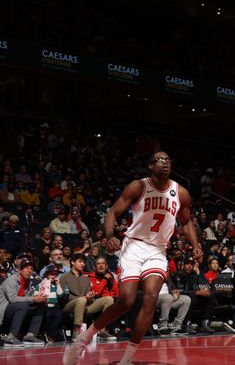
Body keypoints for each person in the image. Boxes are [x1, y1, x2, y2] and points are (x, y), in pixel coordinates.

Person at [63, 151, 201, 365]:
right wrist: (109, 236)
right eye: (159, 159)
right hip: (133, 246)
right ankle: (83, 338)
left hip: (157, 250)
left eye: (168, 159)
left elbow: (185, 222)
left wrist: (195, 244)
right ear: (150, 165)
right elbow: (111, 213)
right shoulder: (139, 186)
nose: (165, 162)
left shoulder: (181, 193)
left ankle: (127, 358)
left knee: (151, 297)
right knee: (126, 301)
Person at [60, 253, 116, 340]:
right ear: (72, 262)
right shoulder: (64, 277)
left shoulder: (85, 278)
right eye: (80, 262)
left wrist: (90, 296)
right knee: (81, 300)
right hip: (69, 305)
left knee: (109, 299)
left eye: (84, 262)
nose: (83, 264)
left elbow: (88, 294)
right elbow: (61, 296)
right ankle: (76, 331)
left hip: (85, 303)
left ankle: (102, 331)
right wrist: (83, 298)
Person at [0, 259, 47, 346]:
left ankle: (30, 335)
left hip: (18, 308)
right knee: (23, 305)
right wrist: (33, 299)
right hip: (4, 309)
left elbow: (27, 298)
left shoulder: (28, 282)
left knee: (40, 305)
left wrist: (40, 299)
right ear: (19, 270)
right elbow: (12, 299)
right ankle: (11, 337)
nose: (29, 271)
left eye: (31, 268)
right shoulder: (11, 280)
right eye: (26, 268)